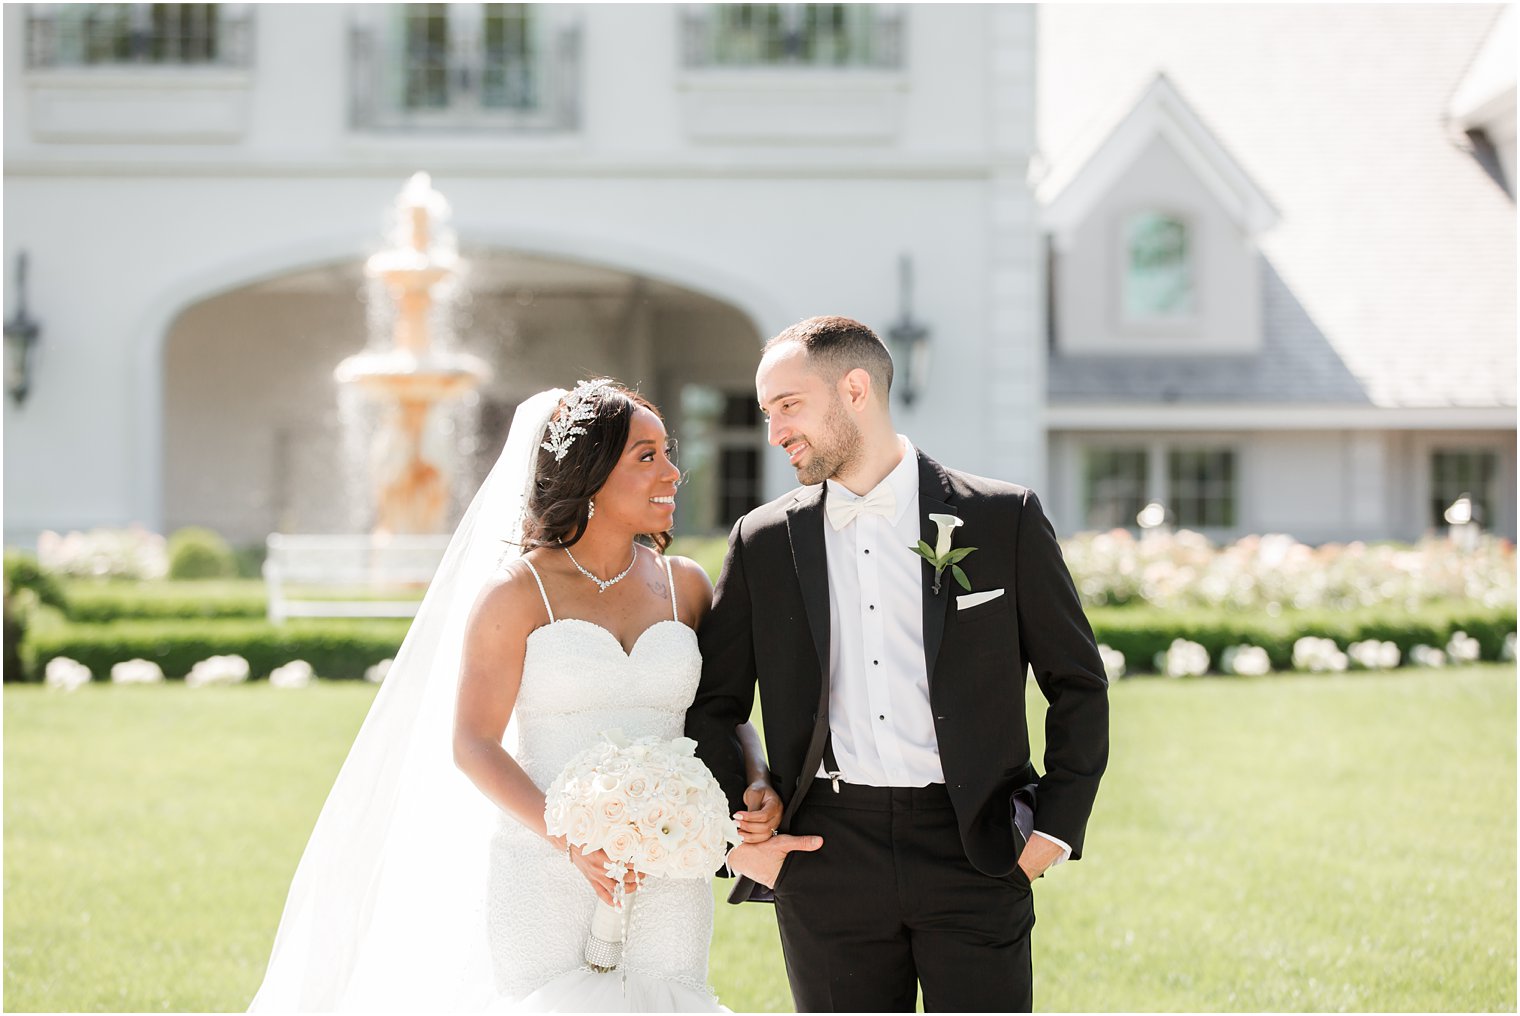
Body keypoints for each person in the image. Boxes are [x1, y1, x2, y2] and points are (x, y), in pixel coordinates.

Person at [250, 380, 780, 1013]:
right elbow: (473, 743)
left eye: (667, 453)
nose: (672, 472)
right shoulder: (516, 594)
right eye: (647, 456)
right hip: (544, 863)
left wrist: (756, 777)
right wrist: (571, 840)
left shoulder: (685, 585)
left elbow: (721, 713)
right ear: (589, 472)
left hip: (669, 866)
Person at [686, 316, 1110, 1013]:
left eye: (787, 406)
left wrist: (1055, 829)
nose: (774, 433)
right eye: (766, 414)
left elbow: (1077, 683)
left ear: (855, 389)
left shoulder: (1002, 518)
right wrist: (743, 828)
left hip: (974, 845)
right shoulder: (762, 541)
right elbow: (713, 702)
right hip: (824, 853)